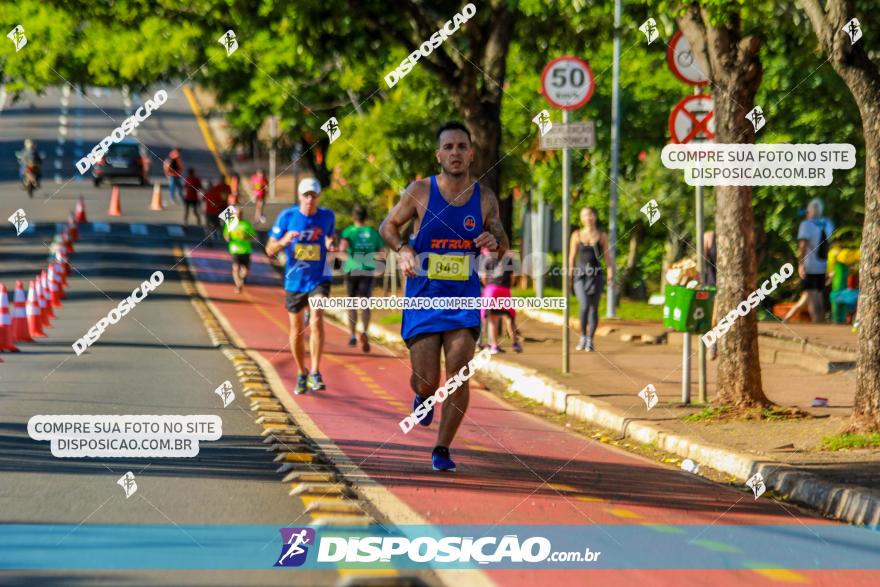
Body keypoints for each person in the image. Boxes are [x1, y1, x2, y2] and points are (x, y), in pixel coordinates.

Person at [379, 121, 508, 472]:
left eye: (461, 147)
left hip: (462, 300)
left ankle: (442, 448)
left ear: (471, 153)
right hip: (423, 299)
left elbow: (500, 242)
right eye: (448, 147)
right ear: (439, 155)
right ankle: (422, 396)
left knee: (460, 373)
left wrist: (492, 243)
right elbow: (387, 226)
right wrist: (404, 248)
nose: (455, 153)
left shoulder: (484, 198)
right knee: (427, 379)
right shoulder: (420, 191)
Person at [266, 178, 337, 395]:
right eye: (306, 195)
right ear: (299, 196)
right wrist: (283, 241)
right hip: (294, 281)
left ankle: (315, 372)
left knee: (316, 319)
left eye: (313, 196)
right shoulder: (287, 217)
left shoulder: (327, 216)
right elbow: (269, 250)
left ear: (318, 197)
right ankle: (301, 373)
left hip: (319, 278)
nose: (309, 199)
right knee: (296, 330)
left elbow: (330, 237)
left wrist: (330, 243)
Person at [340, 205, 385, 353]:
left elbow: (342, 249)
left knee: (351, 303)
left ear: (354, 217)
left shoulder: (349, 231)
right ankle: (364, 331)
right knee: (365, 304)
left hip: (352, 269)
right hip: (367, 270)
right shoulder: (372, 232)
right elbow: (382, 253)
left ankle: (352, 335)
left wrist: (349, 258)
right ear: (366, 217)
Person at [568, 207, 613, 352]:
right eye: (584, 215)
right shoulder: (576, 235)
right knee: (584, 305)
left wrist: (611, 273)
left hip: (596, 275)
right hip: (580, 275)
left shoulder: (602, 236)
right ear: (581, 218)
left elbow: (608, 258)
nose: (588, 218)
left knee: (594, 308)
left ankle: (590, 339)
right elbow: (572, 257)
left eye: (590, 214)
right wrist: (569, 275)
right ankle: (582, 336)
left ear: (595, 216)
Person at [784, 198, 834, 323]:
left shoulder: (806, 225)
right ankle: (821, 323)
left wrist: (800, 264)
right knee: (819, 295)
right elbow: (830, 244)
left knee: (812, 296)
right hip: (823, 265)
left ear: (810, 211)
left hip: (810, 265)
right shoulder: (827, 224)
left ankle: (817, 325)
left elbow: (802, 246)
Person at [480, 248, 521, 354]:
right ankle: (515, 343)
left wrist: (487, 287)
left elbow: (484, 277)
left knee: (492, 320)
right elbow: (512, 277)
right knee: (510, 317)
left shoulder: (488, 259)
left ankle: (494, 346)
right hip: (504, 289)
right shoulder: (508, 258)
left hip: (491, 289)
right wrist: (508, 287)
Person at [223, 207, 257, 294]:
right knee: (236, 267)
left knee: (245, 271)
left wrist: (246, 237)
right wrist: (228, 238)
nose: (238, 215)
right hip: (235, 249)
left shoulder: (246, 224)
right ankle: (238, 285)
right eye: (237, 214)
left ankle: (241, 281)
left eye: (240, 214)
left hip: (246, 250)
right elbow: (226, 235)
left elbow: (254, 236)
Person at [204, 177, 231, 244]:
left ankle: (223, 235)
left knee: (223, 223)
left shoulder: (227, 187)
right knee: (211, 225)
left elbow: (228, 195)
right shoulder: (215, 189)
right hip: (213, 211)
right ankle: (210, 239)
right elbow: (203, 201)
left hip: (221, 208)